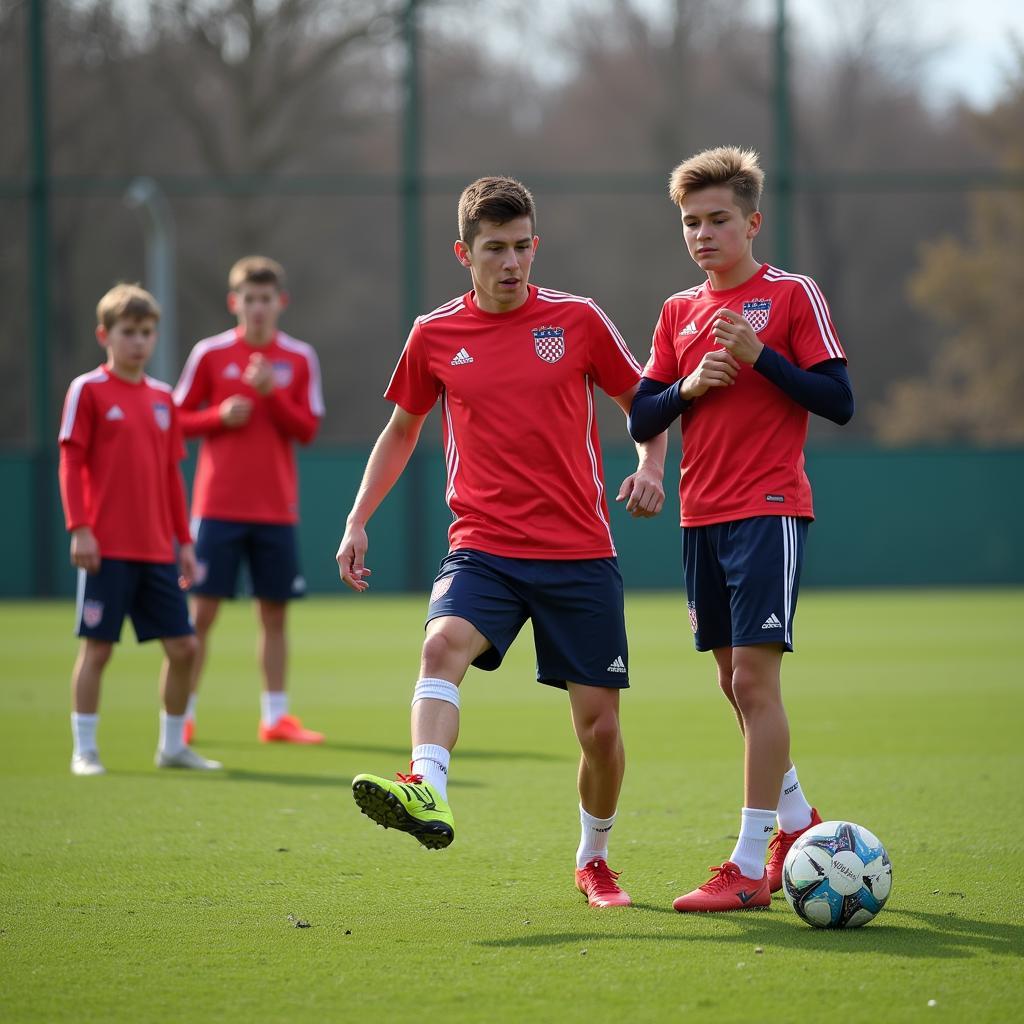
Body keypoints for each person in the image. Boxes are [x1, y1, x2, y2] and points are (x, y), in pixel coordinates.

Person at [336, 176, 666, 908]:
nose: (511, 263)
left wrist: (649, 465)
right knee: (439, 645)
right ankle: (427, 784)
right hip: (484, 546)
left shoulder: (577, 320)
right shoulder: (434, 334)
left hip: (580, 552)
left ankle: (594, 858)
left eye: (522, 247)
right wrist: (358, 519)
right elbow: (401, 432)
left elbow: (640, 401)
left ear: (535, 245)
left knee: (600, 732)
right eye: (495, 250)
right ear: (464, 253)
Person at [627, 147, 854, 912]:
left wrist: (761, 359)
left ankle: (751, 863)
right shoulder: (677, 311)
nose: (702, 234)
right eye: (691, 222)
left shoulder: (791, 296)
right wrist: (688, 385)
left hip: (768, 508)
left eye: (718, 219)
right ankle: (796, 820)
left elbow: (839, 399)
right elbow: (643, 412)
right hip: (702, 518)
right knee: (731, 681)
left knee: (754, 681)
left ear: (752, 222)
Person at [58, 283, 223, 776]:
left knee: (185, 646)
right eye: (128, 332)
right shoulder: (87, 390)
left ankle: (172, 746)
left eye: (147, 332)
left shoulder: (161, 399)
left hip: (157, 551)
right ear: (104, 334)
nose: (138, 341)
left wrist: (185, 543)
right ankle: (84, 750)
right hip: (106, 548)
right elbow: (70, 462)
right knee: (99, 649)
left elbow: (172, 475)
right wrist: (80, 528)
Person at [173, 256, 325, 746]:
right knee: (202, 614)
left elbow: (308, 429)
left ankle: (275, 717)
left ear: (280, 303)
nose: (257, 308)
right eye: (248, 299)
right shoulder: (210, 354)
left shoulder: (299, 358)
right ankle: (184, 713)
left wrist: (271, 395)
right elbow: (174, 420)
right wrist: (216, 416)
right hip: (216, 508)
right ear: (233, 302)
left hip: (275, 510)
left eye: (266, 299)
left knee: (275, 614)